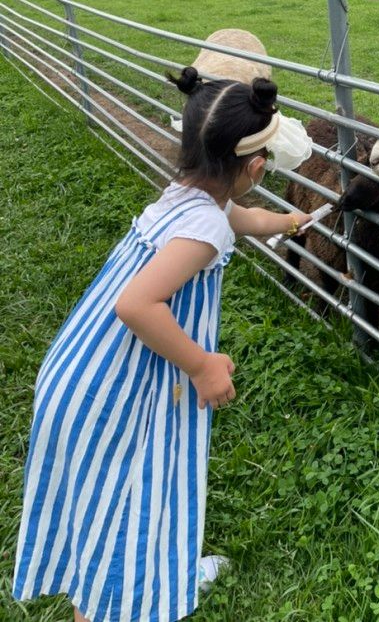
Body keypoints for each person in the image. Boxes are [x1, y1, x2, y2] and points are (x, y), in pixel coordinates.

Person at [12, 68, 314, 622]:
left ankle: (161, 570)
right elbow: (137, 305)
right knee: (126, 500)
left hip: (85, 365)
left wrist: (286, 221)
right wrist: (201, 365)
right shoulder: (203, 230)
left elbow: (239, 216)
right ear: (254, 166)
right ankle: (106, 603)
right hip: (114, 389)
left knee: (105, 498)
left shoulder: (191, 195)